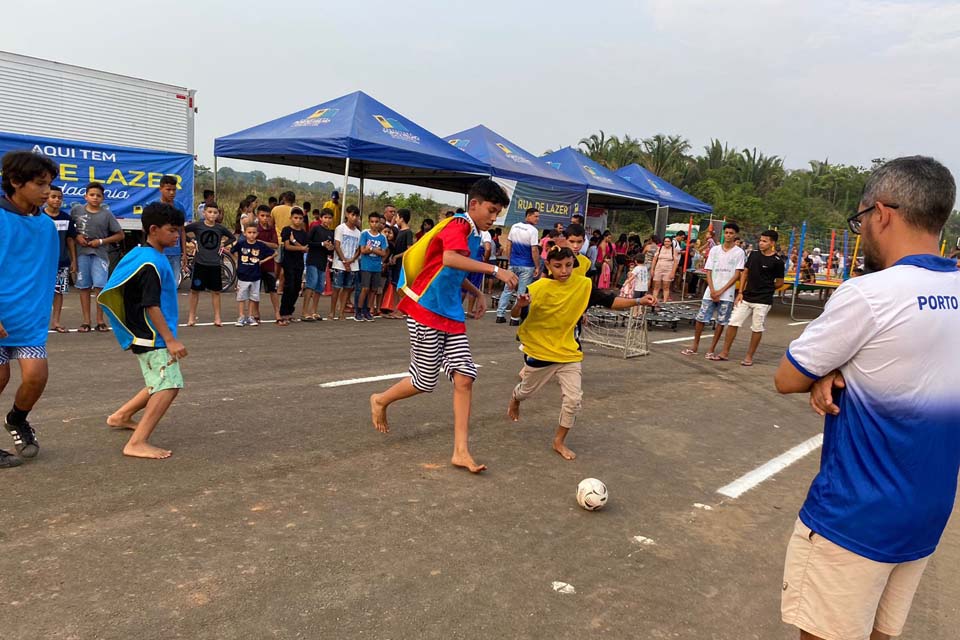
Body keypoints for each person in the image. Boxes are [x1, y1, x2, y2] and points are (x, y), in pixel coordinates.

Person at [774, 156, 960, 640]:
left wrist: (832, 366)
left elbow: (788, 377)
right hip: (926, 511)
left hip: (856, 514)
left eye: (859, 221)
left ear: (882, 213)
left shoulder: (870, 294)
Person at [369, 179, 519, 473]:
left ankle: (460, 451)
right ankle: (380, 399)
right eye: (491, 210)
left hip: (451, 313)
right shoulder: (459, 226)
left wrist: (476, 293)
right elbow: (450, 258)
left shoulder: (475, 234)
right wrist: (496, 270)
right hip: (426, 309)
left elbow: (449, 267)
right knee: (424, 382)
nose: (493, 217)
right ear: (474, 204)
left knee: (464, 377)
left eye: (498, 213)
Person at [508, 246, 657, 460]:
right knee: (526, 392)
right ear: (548, 266)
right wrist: (520, 305)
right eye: (558, 266)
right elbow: (517, 314)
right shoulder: (537, 288)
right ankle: (515, 397)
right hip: (540, 353)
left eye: (568, 265)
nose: (564, 270)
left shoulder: (583, 286)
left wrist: (638, 301)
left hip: (569, 353)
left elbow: (610, 301)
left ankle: (559, 441)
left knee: (574, 400)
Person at [98, 202, 187, 459]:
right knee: (169, 385)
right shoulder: (150, 263)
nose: (176, 236)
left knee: (158, 380)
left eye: (178, 231)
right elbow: (151, 305)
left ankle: (121, 416)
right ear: (153, 229)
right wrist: (169, 339)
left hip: (146, 333)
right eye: (172, 230)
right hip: (151, 335)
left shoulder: (142, 254)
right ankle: (137, 442)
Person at [0, 151, 59, 468]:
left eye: (49, 184)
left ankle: (17, 419)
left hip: (28, 321)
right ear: (15, 181)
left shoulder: (46, 226)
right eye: (39, 184)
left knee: (36, 377)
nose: (46, 191)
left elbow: (43, 272)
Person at [714, 230, 785, 366]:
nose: (761, 243)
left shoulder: (777, 262)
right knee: (733, 322)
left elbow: (780, 282)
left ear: (772, 243)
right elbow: (745, 272)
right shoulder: (753, 255)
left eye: (765, 241)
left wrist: (767, 288)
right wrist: (740, 291)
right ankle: (724, 352)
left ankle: (749, 356)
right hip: (746, 296)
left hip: (763, 300)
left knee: (757, 327)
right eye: (760, 240)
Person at [680, 222, 745, 359]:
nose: (728, 235)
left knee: (721, 322)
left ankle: (711, 349)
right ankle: (694, 346)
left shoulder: (739, 252)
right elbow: (708, 270)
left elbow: (737, 274)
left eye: (731, 233)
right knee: (701, 318)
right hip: (711, 290)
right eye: (726, 232)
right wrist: (713, 289)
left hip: (726, 293)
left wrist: (721, 291)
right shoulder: (715, 250)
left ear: (735, 235)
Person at [71, 182, 124, 333]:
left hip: (100, 254)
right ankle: (86, 321)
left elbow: (119, 235)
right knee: (83, 287)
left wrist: (100, 241)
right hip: (81, 253)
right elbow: (70, 230)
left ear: (103, 198)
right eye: (92, 195)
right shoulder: (76, 211)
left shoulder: (106, 214)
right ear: (85, 196)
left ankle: (100, 320)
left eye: (98, 195)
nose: (95, 198)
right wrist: (77, 237)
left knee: (100, 286)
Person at [185, 203, 234, 326]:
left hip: (215, 264)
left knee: (216, 291)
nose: (212, 214)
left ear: (218, 214)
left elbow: (232, 237)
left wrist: (223, 244)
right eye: (210, 212)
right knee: (195, 291)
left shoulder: (220, 228)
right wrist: (192, 241)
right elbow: (182, 231)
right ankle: (191, 317)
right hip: (200, 263)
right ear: (204, 213)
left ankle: (217, 317)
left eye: (215, 212)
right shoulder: (198, 226)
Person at [495, 207, 541, 324]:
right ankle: (514, 318)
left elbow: (508, 245)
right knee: (521, 292)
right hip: (527, 265)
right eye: (536, 216)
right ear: (528, 215)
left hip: (514, 264)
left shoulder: (514, 227)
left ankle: (500, 315)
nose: (538, 219)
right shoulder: (533, 231)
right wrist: (537, 266)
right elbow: (534, 250)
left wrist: (510, 260)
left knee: (508, 289)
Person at [43, 186, 78, 334]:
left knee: (58, 292)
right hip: (41, 263)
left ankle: (56, 321)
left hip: (61, 262)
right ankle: (39, 322)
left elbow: (70, 240)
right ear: (46, 198)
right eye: (53, 197)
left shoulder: (66, 218)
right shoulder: (39, 216)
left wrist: (73, 260)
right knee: (41, 292)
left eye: (59, 197)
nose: (57, 200)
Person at [230, 223, 274, 326]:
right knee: (241, 297)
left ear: (257, 233)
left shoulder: (260, 245)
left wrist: (262, 261)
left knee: (253, 297)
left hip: (255, 276)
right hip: (243, 275)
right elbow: (232, 251)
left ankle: (250, 316)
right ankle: (241, 316)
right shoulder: (241, 244)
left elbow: (273, 253)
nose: (252, 235)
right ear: (245, 233)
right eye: (249, 232)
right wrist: (237, 260)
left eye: (254, 232)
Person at [329, 205, 362, 321]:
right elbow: (337, 245)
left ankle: (341, 312)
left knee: (347, 289)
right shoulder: (340, 228)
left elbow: (359, 249)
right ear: (347, 214)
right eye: (352, 215)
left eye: (356, 215)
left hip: (352, 265)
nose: (354, 218)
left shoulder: (358, 233)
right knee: (336, 288)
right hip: (339, 264)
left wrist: (352, 260)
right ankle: (332, 312)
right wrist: (344, 260)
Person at [303, 208, 334, 321]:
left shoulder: (331, 233)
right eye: (325, 217)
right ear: (321, 218)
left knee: (319, 287)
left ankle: (314, 311)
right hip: (312, 260)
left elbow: (329, 250)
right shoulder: (316, 228)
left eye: (330, 218)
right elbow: (308, 242)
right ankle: (305, 311)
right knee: (311, 284)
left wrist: (330, 248)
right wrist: (321, 244)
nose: (327, 220)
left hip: (322, 262)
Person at [278, 208, 308, 326]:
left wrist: (294, 241)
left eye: (300, 218)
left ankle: (290, 311)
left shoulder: (304, 233)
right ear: (291, 218)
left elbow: (305, 248)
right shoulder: (287, 230)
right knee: (289, 286)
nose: (298, 220)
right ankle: (283, 312)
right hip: (288, 262)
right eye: (295, 218)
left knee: (296, 287)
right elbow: (287, 246)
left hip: (299, 263)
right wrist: (299, 247)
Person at [356, 212, 389, 322]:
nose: (374, 224)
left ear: (380, 223)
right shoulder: (365, 234)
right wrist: (375, 250)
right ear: (369, 222)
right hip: (366, 266)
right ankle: (359, 310)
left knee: (374, 289)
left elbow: (384, 253)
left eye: (376, 222)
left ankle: (368, 311)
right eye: (372, 222)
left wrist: (371, 249)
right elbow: (363, 250)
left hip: (376, 267)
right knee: (365, 288)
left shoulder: (382, 237)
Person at [385, 208, 414, 319]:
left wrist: (397, 256)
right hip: (396, 264)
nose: (395, 219)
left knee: (401, 288)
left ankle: (401, 310)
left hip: (402, 264)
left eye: (396, 217)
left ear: (401, 218)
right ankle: (396, 309)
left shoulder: (408, 232)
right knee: (396, 287)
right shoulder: (400, 231)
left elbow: (409, 250)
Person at [158, 175, 189, 280]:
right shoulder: (154, 207)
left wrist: (184, 253)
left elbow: (182, 231)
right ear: (161, 189)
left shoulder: (179, 207)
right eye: (168, 190)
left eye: (174, 190)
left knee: (173, 285)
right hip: (158, 253)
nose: (172, 193)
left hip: (175, 253)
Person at [254, 205, 280, 322]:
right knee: (255, 290)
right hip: (256, 264)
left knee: (273, 290)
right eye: (262, 216)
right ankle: (256, 314)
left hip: (269, 263)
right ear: (257, 216)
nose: (265, 218)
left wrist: (261, 242)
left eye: (267, 216)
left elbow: (275, 245)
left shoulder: (272, 229)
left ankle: (277, 313)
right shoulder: (255, 229)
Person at [649, 237, 679, 303]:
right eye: (665, 241)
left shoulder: (674, 250)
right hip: (658, 268)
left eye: (668, 241)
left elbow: (676, 262)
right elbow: (654, 259)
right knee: (656, 286)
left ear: (671, 242)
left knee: (666, 286)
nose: (666, 243)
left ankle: (664, 302)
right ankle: (654, 301)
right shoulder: (659, 249)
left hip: (668, 269)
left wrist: (673, 272)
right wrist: (652, 269)